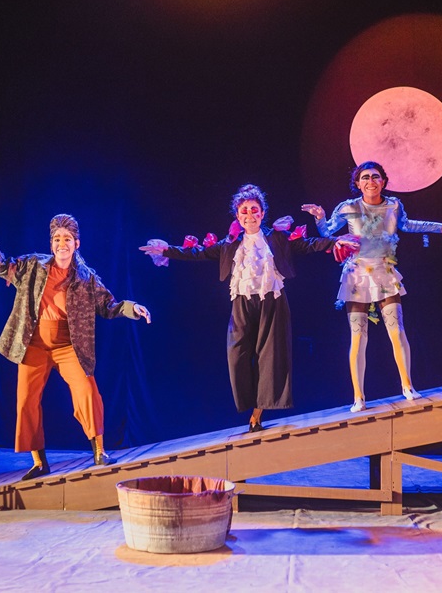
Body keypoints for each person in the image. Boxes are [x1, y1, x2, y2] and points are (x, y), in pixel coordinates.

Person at [140, 184, 353, 433]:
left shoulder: (277, 238)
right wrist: (167, 250)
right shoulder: (230, 243)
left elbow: (308, 244)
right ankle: (250, 402)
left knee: (269, 356)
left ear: (262, 213)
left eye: (254, 209)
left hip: (272, 300)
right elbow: (199, 253)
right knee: (237, 355)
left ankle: (257, 413)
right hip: (242, 301)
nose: (250, 214)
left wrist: (335, 241)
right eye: (244, 210)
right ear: (237, 216)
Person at [0, 214, 151, 481]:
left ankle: (99, 451)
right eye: (57, 239)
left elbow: (108, 306)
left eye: (67, 239)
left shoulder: (86, 278)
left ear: (77, 243)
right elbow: (4, 267)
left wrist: (132, 308)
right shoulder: (33, 266)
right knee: (26, 400)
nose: (61, 244)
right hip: (34, 344)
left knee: (87, 390)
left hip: (68, 345)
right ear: (51, 243)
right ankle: (39, 462)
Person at [301, 163, 442, 412]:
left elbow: (408, 225)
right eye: (365, 177)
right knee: (358, 336)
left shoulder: (394, 205)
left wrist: (439, 227)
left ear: (383, 182)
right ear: (358, 183)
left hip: (385, 272)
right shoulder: (348, 207)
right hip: (357, 275)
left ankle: (408, 386)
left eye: (375, 177)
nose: (371, 181)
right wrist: (320, 217)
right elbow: (328, 231)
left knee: (397, 331)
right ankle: (358, 397)